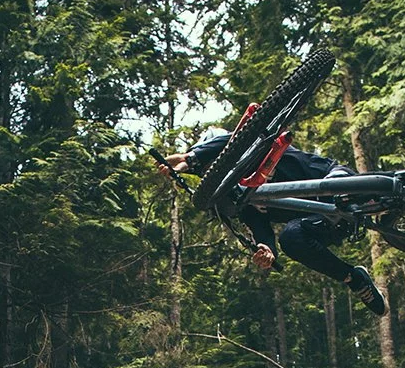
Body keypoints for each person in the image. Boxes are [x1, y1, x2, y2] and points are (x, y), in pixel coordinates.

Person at [160, 131, 388, 316]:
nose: (214, 170)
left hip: (334, 178)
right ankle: (354, 279)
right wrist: (266, 250)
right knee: (290, 237)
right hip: (326, 220)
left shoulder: (262, 148)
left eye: (213, 164)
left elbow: (235, 139)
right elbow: (262, 232)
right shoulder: (246, 201)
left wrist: (189, 159)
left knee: (337, 187)